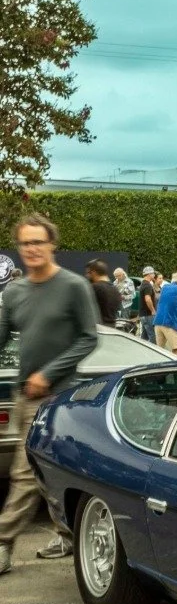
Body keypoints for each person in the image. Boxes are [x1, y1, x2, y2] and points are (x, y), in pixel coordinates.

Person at [0, 213, 99, 574]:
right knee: (48, 470)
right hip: (25, 396)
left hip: (60, 398)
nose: (32, 249)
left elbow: (89, 338)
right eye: (25, 243)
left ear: (52, 244)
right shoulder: (14, 292)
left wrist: (49, 373)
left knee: (26, 471)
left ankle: (2, 542)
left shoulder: (74, 286)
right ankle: (68, 534)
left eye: (38, 242)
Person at [85, 259, 122, 325]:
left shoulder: (94, 288)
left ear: (94, 272)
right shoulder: (115, 290)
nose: (87, 275)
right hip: (111, 328)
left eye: (88, 273)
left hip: (97, 328)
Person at [137, 265, 158, 341]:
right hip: (148, 314)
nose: (154, 275)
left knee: (144, 337)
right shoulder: (147, 285)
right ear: (149, 274)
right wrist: (153, 310)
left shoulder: (143, 283)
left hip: (143, 314)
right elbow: (148, 299)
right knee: (153, 336)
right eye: (153, 273)